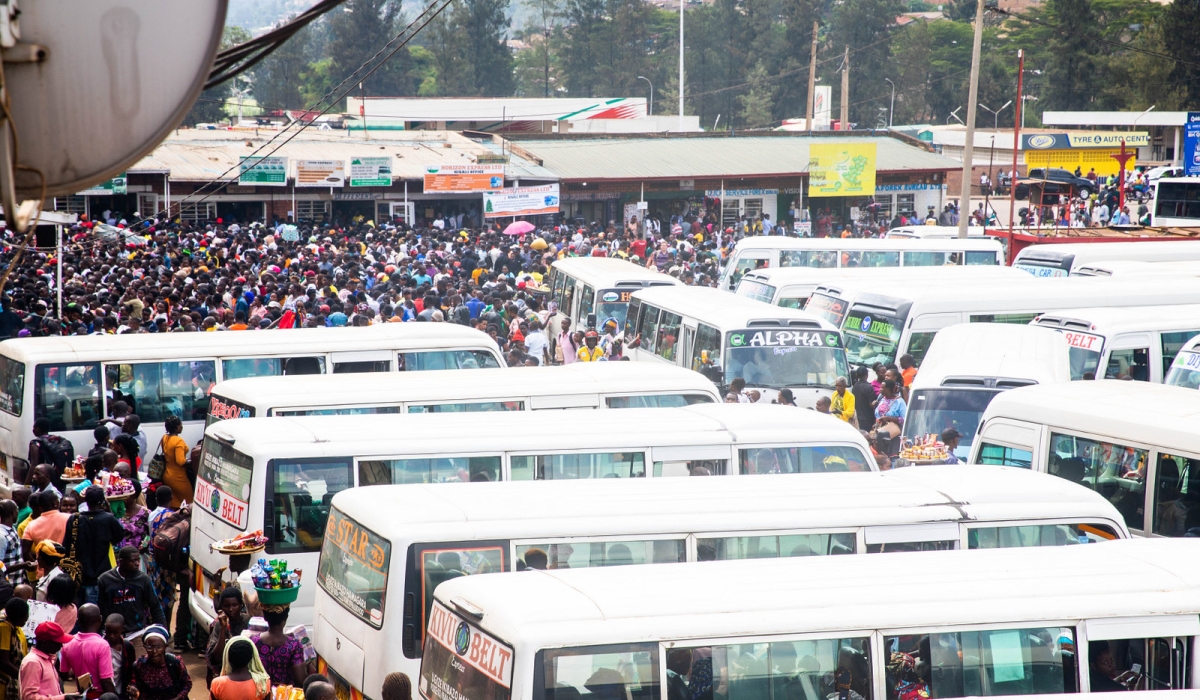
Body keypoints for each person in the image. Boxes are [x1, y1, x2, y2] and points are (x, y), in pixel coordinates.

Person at [62, 488, 125, 606]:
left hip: (78, 577)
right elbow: (118, 537)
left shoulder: (75, 519)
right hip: (102, 576)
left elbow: (66, 546)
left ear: (85, 501)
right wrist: (109, 511)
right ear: (102, 501)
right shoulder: (108, 519)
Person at [97, 547, 165, 644]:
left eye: (138, 560)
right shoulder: (105, 580)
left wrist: (162, 632)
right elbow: (99, 609)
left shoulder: (143, 579)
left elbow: (155, 607)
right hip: (111, 636)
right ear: (121, 561)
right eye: (133, 561)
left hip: (136, 634)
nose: (137, 564)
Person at [59, 604, 117, 698]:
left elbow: (63, 674)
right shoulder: (102, 645)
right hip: (100, 696)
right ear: (100, 619)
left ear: (78, 621)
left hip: (82, 695)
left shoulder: (68, 643)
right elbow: (106, 680)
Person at [18, 622, 79, 700]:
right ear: (45, 642)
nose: (61, 646)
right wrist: (63, 698)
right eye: (57, 643)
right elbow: (29, 697)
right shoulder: (33, 662)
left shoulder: (47, 659)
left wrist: (69, 696)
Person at [129, 626, 190, 700]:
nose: (154, 651)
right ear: (144, 647)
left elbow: (187, 684)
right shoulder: (140, 665)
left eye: (158, 647)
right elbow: (135, 683)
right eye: (150, 647)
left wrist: (178, 698)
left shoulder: (175, 662)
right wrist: (134, 688)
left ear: (165, 647)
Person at [252, 605, 306, 687]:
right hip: (284, 695)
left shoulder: (253, 641)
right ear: (286, 617)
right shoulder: (294, 645)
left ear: (265, 617)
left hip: (259, 694)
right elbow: (300, 679)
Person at [206, 589, 249, 686]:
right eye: (226, 606)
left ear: (241, 605)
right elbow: (216, 658)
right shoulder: (218, 625)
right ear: (221, 607)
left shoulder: (248, 621)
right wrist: (222, 628)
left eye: (234, 605)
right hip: (226, 675)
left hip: (246, 674)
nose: (230, 609)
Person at [157, 418, 190, 509]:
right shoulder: (178, 441)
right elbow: (180, 461)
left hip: (167, 475)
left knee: (173, 503)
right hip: (178, 477)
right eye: (180, 425)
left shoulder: (164, 437)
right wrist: (191, 461)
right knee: (189, 502)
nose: (182, 427)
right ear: (176, 427)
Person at [0, 597, 29, 700]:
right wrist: (24, 677)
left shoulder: (14, 627)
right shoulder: (4, 627)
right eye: (25, 617)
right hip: (3, 683)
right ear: (17, 617)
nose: (26, 620)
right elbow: (4, 661)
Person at [103, 615, 135, 699]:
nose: (112, 636)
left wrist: (132, 684)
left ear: (123, 629)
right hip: (104, 691)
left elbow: (132, 669)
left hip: (122, 689)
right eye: (109, 632)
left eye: (115, 632)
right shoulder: (100, 646)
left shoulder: (127, 646)